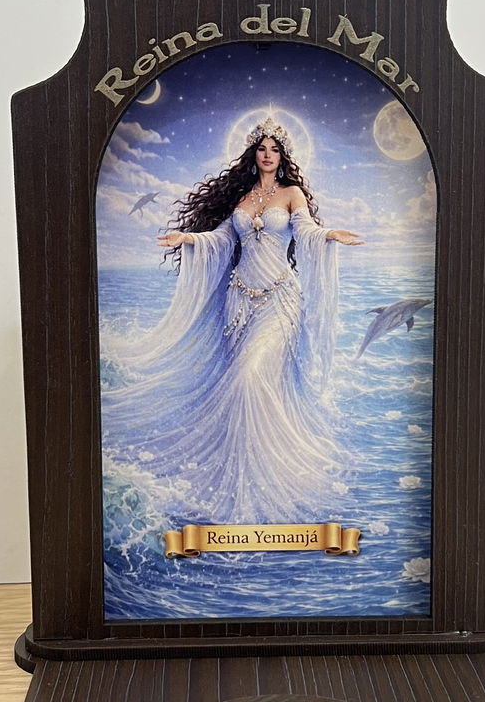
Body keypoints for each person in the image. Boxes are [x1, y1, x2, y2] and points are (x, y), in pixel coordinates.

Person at [102, 117, 363, 525]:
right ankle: (241, 468)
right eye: (262, 149)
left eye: (275, 150)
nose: (268, 155)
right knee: (244, 381)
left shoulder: (291, 193)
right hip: (239, 303)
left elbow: (306, 229)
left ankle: (273, 471)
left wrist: (329, 235)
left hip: (280, 301)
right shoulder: (242, 197)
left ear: (284, 156)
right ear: (252, 154)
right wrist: (187, 239)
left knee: (249, 377)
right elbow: (223, 238)